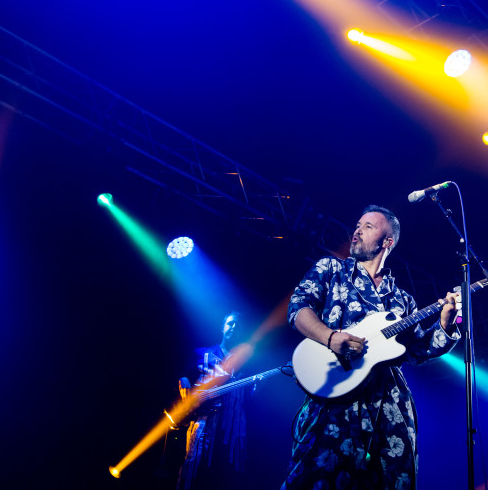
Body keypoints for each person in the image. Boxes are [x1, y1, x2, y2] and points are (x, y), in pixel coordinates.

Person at [282, 205, 461, 489]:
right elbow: (298, 307)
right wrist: (330, 337)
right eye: (357, 225)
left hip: (388, 406)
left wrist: (446, 322)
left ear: (387, 241)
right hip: (334, 400)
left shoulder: (402, 300)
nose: (357, 231)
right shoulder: (331, 269)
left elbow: (418, 350)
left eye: (368, 226)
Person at [176, 311, 253, 490]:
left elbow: (252, 396)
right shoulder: (202, 353)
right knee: (194, 466)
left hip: (234, 427)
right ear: (222, 327)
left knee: (227, 474)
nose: (234, 327)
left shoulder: (247, 362)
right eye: (231, 323)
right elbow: (183, 373)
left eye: (239, 325)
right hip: (204, 420)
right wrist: (184, 380)